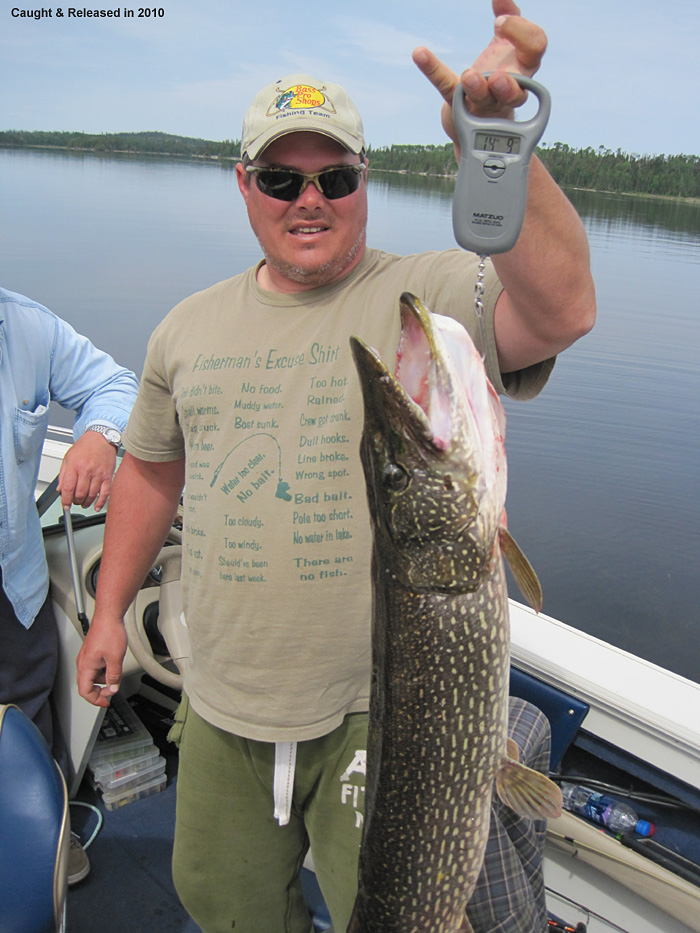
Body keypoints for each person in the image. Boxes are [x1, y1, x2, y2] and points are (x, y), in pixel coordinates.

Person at [77, 1, 595, 929]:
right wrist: (110, 609)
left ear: (365, 180)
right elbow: (152, 471)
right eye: (281, 177)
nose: (307, 199)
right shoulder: (185, 328)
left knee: (397, 907)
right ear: (244, 185)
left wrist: (494, 148)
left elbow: (559, 311)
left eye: (334, 177)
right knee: (218, 896)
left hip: (384, 718)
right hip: (225, 696)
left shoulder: (421, 293)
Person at [0, 286, 139, 884]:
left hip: (12, 584)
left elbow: (117, 385)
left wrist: (99, 435)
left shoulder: (24, 326)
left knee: (28, 719)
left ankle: (46, 838)